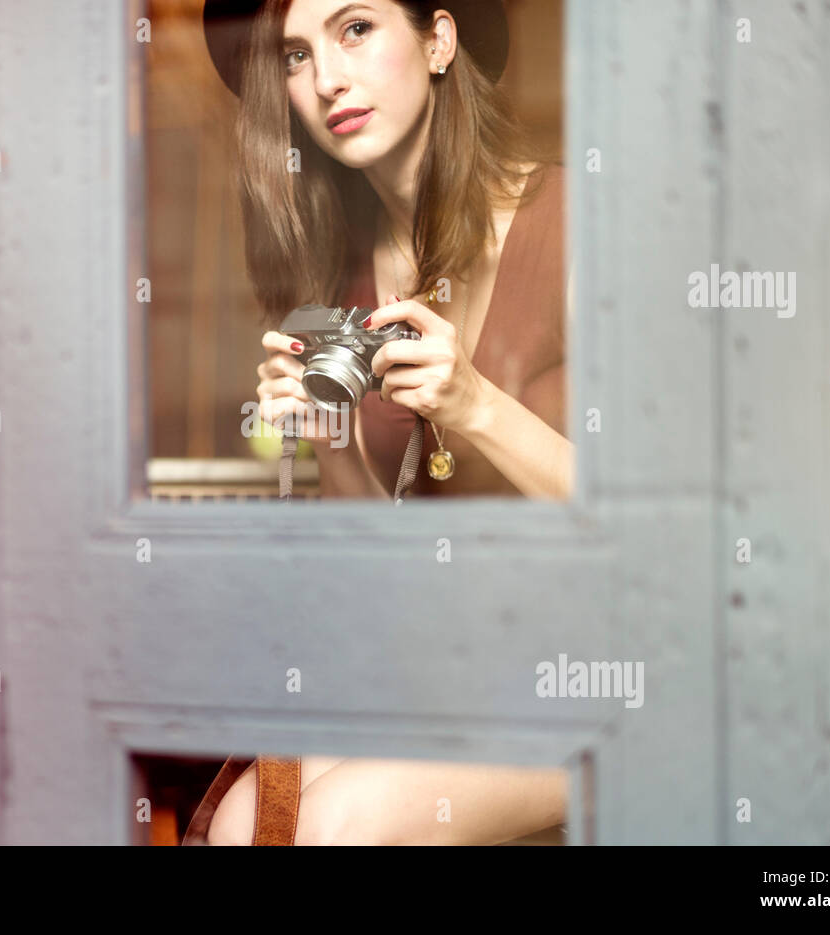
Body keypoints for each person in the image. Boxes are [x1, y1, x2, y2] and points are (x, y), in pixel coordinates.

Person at [194, 0, 570, 844]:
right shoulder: (337, 281)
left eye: (355, 28)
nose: (325, 78)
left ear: (438, 40)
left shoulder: (582, 226)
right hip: (442, 669)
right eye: (294, 55)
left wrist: (475, 405)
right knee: (245, 822)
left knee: (333, 829)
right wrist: (326, 437)